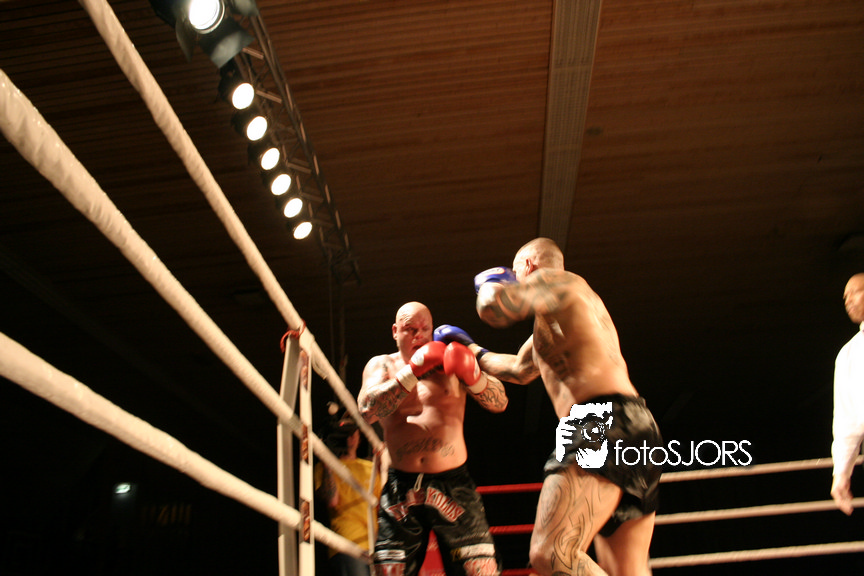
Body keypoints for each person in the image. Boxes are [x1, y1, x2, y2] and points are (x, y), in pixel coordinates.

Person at [442, 238, 661, 576]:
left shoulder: (554, 280)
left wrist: (490, 283)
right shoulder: (563, 313)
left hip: (599, 422)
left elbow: (493, 309)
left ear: (528, 265)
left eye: (515, 270)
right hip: (635, 424)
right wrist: (471, 349)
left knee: (552, 554)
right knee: (627, 570)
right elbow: (519, 369)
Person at [358, 301, 508, 576]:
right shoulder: (382, 365)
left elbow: (499, 402)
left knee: (480, 570)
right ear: (395, 331)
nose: (418, 335)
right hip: (401, 486)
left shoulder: (451, 360)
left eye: (424, 328)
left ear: (432, 329)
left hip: (454, 483)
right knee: (389, 571)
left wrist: (474, 376)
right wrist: (411, 373)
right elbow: (368, 410)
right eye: (410, 329)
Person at [314, 417, 384, 576]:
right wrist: (327, 459)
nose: (349, 437)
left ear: (359, 436)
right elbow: (332, 501)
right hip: (347, 543)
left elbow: (382, 506)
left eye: (352, 432)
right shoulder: (324, 467)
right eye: (344, 433)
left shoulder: (370, 467)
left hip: (374, 544)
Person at [831, 272, 864, 515]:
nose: (848, 300)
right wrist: (841, 472)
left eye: (855, 292)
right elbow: (847, 420)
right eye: (845, 296)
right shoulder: (849, 354)